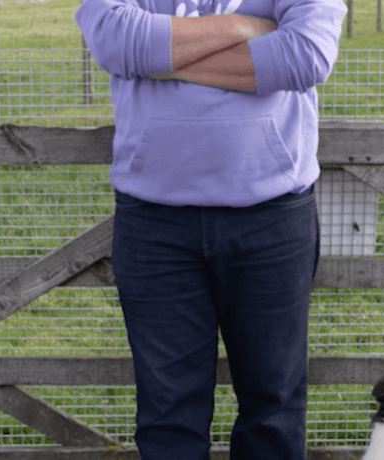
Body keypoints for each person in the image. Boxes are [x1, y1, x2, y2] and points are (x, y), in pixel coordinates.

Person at [75, 0, 345, 458]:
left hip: (271, 219)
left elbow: (305, 56)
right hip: (155, 222)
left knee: (273, 408)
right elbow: (114, 41)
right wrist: (250, 30)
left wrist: (163, 57)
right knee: (167, 415)